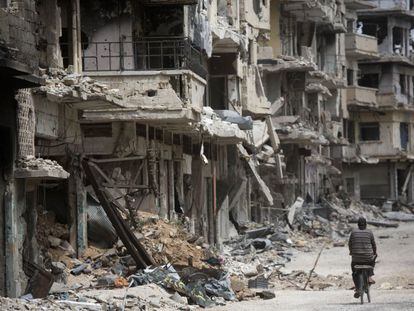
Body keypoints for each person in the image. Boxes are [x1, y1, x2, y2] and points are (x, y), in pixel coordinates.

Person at [348, 217, 377, 298]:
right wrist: (375, 253)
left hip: (356, 258)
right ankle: (369, 277)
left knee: (354, 272)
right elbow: (373, 244)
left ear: (357, 224)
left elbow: (350, 244)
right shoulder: (369, 232)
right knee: (372, 261)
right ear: (366, 224)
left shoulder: (353, 232)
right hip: (367, 258)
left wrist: (351, 252)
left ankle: (358, 289)